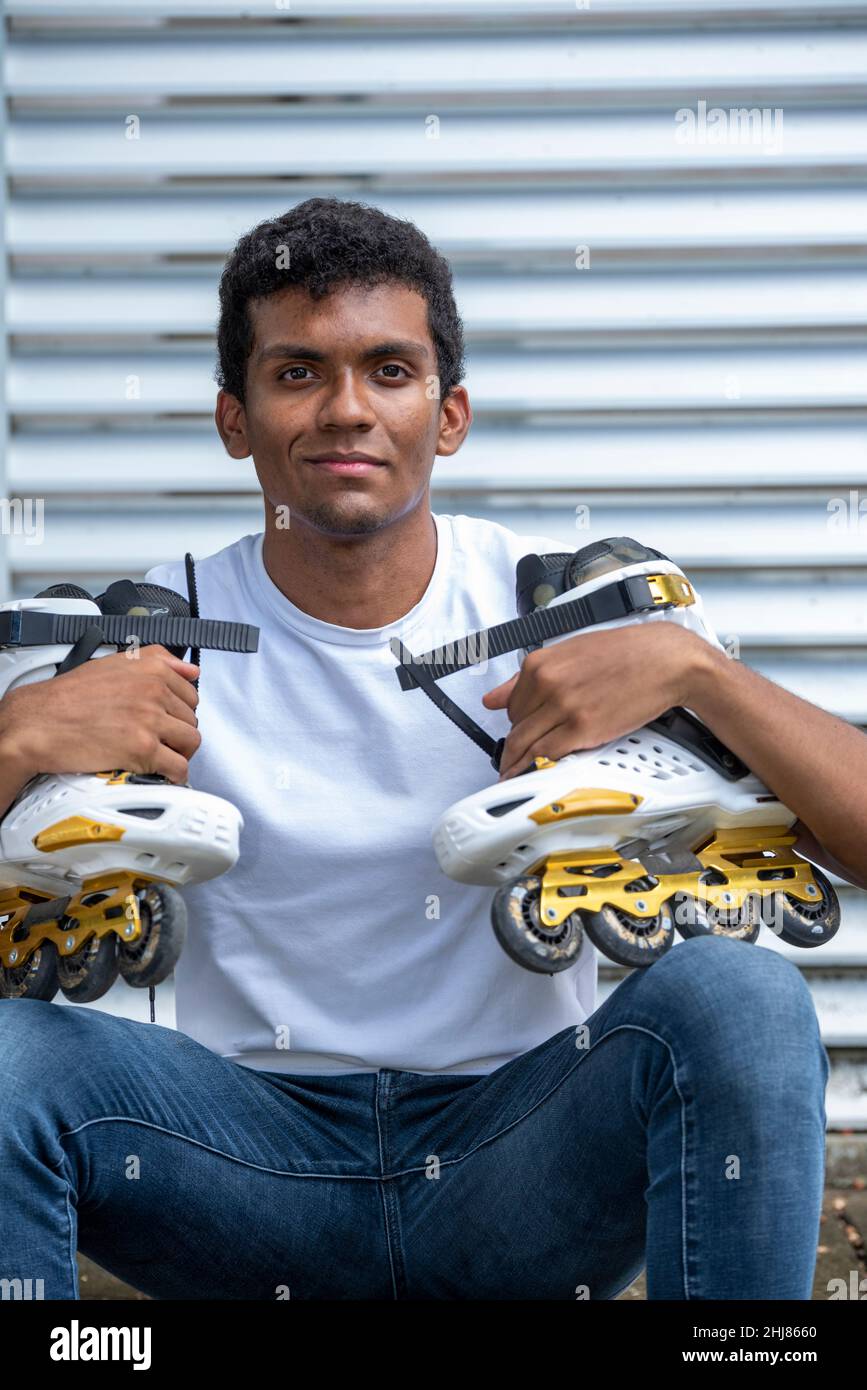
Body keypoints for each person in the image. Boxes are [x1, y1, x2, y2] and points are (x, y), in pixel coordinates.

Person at [0, 197, 864, 1301]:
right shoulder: (138, 635)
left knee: (741, 998)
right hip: (246, 1169)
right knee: (11, 1060)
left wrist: (702, 675)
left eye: (390, 371)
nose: (347, 410)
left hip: (521, 1157)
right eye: (298, 373)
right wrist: (18, 737)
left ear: (450, 414)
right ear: (234, 417)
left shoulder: (565, 610)